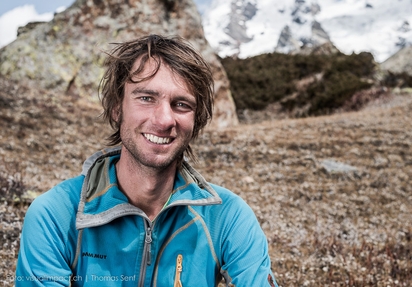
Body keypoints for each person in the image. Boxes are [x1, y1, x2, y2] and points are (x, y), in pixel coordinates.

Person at [15, 34, 278, 287]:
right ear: (117, 108)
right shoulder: (55, 215)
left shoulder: (227, 217)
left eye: (182, 104)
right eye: (146, 98)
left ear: (195, 120)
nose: (164, 120)